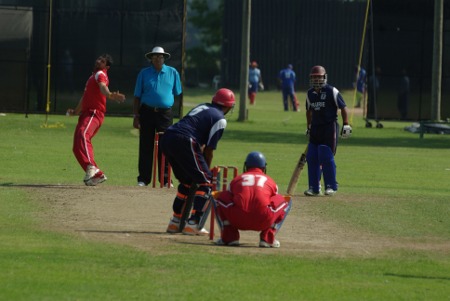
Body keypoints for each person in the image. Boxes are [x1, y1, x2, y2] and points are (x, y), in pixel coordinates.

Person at [160, 88, 236, 236]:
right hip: (185, 140)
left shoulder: (203, 106)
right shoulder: (220, 119)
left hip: (168, 137)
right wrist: (206, 171)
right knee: (206, 182)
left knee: (187, 181)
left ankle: (175, 223)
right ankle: (193, 223)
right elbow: (208, 150)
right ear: (227, 106)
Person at [67, 54, 126, 186]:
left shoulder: (100, 74)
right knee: (77, 147)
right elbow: (85, 97)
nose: (98, 61)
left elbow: (103, 88)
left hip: (94, 113)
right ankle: (98, 175)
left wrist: (110, 95)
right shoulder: (92, 76)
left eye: (102, 61)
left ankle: (90, 166)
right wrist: (76, 112)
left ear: (107, 66)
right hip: (86, 114)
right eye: (99, 59)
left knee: (83, 134)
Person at [214, 151, 291, 248]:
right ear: (264, 167)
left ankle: (230, 237)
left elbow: (227, 197)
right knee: (284, 200)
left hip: (238, 219)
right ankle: (267, 238)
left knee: (220, 197)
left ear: (246, 166)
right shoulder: (270, 180)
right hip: (263, 219)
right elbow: (275, 199)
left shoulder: (236, 179)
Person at [133, 46, 182, 187]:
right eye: (155, 57)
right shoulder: (144, 73)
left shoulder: (172, 72)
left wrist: (177, 114)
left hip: (165, 114)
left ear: (164, 58)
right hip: (147, 112)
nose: (158, 59)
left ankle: (166, 179)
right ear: (151, 59)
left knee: (166, 146)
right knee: (146, 146)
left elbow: (177, 93)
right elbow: (137, 96)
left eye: (160, 56)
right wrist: (136, 116)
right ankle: (143, 179)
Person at [304, 65, 352, 196]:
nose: (316, 80)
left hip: (329, 128)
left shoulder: (332, 91)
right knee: (312, 156)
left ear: (324, 77)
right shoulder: (310, 94)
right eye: (314, 77)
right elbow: (309, 112)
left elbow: (343, 108)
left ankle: (331, 185)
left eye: (319, 77)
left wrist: (346, 124)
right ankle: (314, 187)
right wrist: (308, 127)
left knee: (325, 154)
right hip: (315, 128)